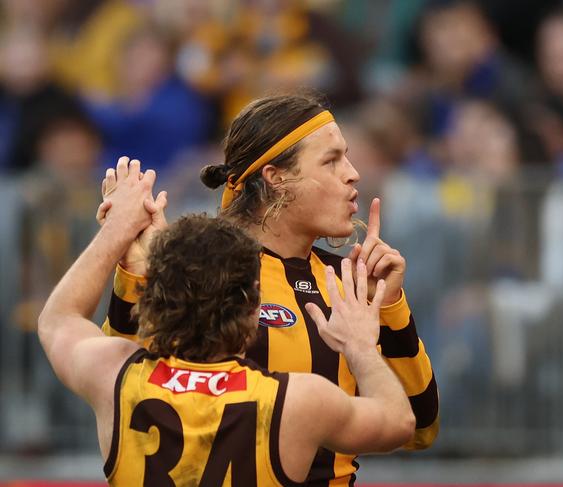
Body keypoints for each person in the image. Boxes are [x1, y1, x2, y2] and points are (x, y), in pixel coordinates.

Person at [99, 92, 439, 484]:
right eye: (331, 160)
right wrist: (136, 273)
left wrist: (390, 305)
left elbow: (419, 429)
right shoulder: (203, 269)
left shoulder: (349, 280)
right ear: (276, 177)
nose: (352, 173)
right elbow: (123, 389)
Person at [38, 161, 416, 485]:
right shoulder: (297, 401)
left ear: (154, 299)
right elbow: (399, 422)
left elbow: (58, 319)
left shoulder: (115, 377)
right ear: (254, 307)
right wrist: (361, 348)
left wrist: (117, 230)